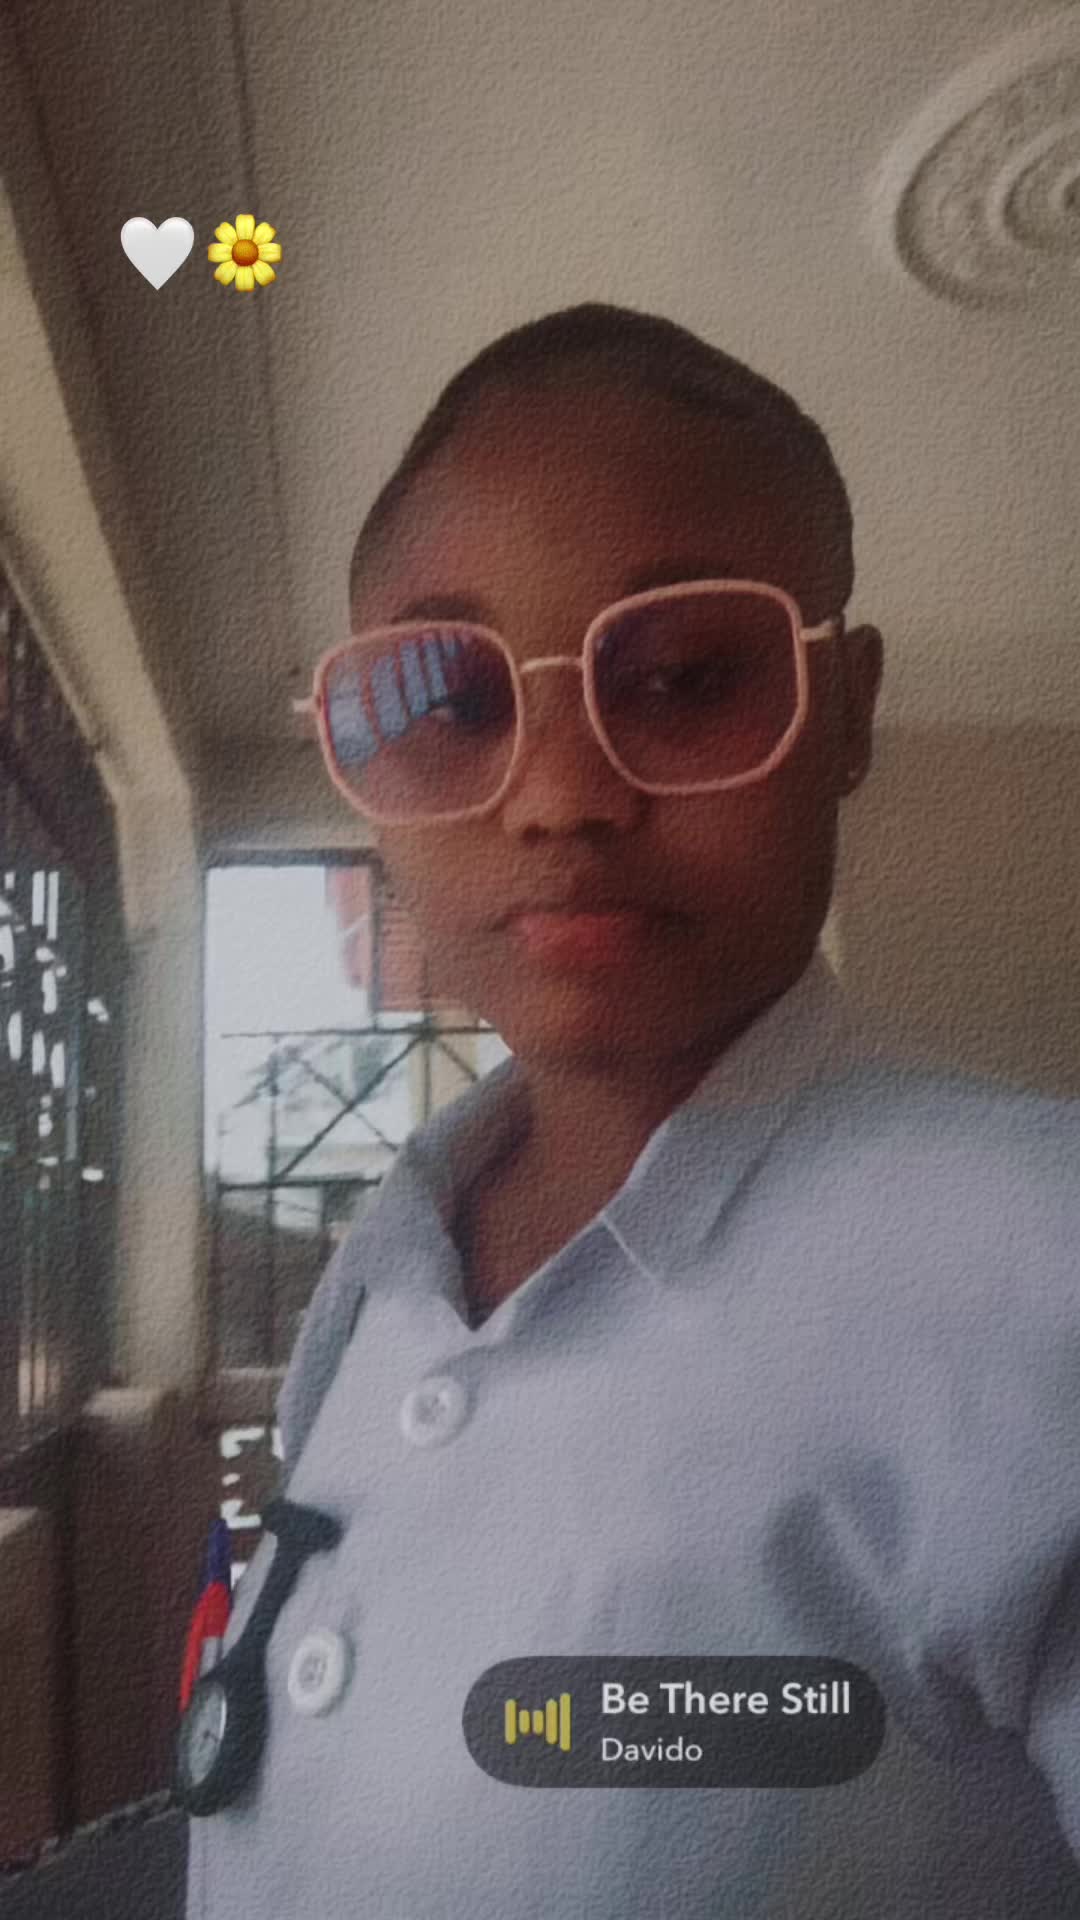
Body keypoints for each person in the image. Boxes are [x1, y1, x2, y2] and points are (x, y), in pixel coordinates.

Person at [184, 303, 1080, 1918]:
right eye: (449, 704)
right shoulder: (384, 1275)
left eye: (680, 678)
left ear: (848, 712)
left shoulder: (1039, 1261)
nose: (560, 795)